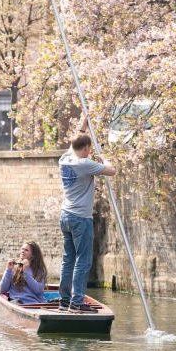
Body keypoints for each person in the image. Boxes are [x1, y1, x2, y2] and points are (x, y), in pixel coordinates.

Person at [58, 116, 116, 312]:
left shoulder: (65, 158)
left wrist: (83, 123)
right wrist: (103, 158)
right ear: (85, 150)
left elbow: (77, 138)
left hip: (65, 215)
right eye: (89, 150)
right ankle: (76, 303)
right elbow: (112, 171)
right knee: (83, 261)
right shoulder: (84, 163)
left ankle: (64, 300)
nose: (89, 152)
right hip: (81, 218)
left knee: (68, 259)